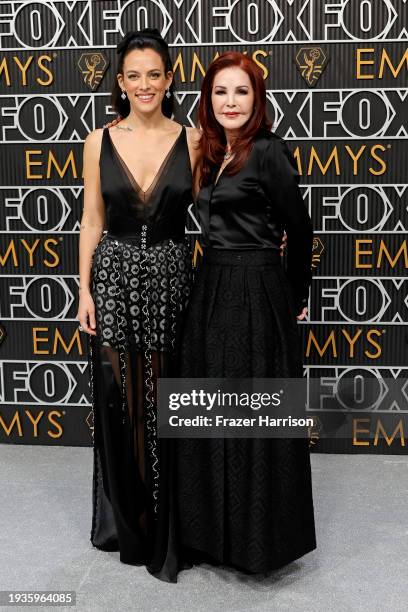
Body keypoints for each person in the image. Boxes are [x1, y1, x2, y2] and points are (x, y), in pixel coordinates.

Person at [176, 51, 317, 575]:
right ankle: (208, 536)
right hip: (209, 285)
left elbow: (299, 231)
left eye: (241, 91)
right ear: (207, 100)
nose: (230, 101)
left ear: (256, 99)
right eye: (220, 92)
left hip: (258, 289)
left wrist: (293, 295)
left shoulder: (269, 151)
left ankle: (260, 543)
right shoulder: (208, 153)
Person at [76, 28, 200, 582]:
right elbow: (92, 221)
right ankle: (130, 520)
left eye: (155, 74)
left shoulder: (194, 140)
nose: (144, 84)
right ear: (120, 83)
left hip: (175, 277)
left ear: (169, 79)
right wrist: (84, 289)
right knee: (123, 400)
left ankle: (173, 519)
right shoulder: (98, 140)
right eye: (134, 75)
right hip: (117, 277)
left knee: (169, 395)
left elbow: (219, 211)